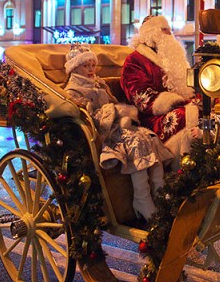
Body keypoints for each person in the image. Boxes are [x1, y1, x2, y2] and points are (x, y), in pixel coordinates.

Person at [64, 43, 173, 220]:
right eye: (86, 65)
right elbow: (88, 119)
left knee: (149, 138)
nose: (91, 69)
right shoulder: (73, 91)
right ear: (75, 67)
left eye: (93, 65)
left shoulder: (100, 83)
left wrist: (121, 113)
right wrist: (115, 113)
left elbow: (114, 103)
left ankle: (160, 196)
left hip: (118, 127)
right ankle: (142, 199)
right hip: (103, 134)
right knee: (137, 143)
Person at [120, 15, 200, 165]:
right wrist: (176, 101)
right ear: (152, 33)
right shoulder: (134, 60)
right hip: (151, 118)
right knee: (182, 116)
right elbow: (142, 97)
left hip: (176, 107)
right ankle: (182, 166)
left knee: (204, 110)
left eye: (169, 30)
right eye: (165, 30)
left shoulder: (168, 57)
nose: (170, 34)